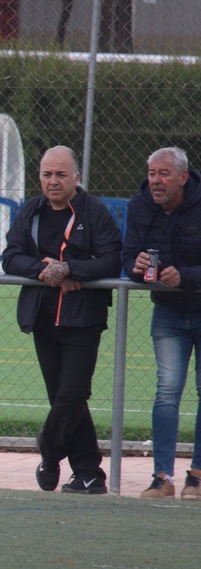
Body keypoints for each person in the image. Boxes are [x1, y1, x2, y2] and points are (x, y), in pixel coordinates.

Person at [2, 145, 121, 495]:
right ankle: (88, 473)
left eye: (61, 175)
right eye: (47, 174)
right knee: (63, 399)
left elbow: (112, 259)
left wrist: (72, 269)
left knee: (72, 394)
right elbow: (10, 257)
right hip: (42, 317)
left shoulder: (95, 212)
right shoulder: (31, 212)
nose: (53, 181)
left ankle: (49, 449)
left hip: (83, 319)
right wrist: (45, 270)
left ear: (76, 178)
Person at [122, 147, 201, 500]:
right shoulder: (139, 206)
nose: (155, 180)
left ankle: (197, 477)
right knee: (167, 392)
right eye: (152, 173)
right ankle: (162, 477)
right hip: (168, 311)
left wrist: (183, 276)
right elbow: (127, 258)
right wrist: (136, 268)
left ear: (183, 177)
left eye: (164, 173)